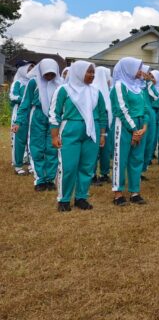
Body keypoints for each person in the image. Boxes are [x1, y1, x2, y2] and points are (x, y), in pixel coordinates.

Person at [49, 61, 108, 211]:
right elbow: (54, 114)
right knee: (68, 167)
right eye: (88, 72)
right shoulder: (64, 90)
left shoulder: (96, 92)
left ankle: (81, 197)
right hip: (70, 131)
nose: (92, 75)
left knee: (87, 167)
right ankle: (64, 199)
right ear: (78, 72)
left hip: (92, 132)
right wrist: (54, 136)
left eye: (93, 72)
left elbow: (102, 115)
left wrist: (102, 134)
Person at [12, 59, 62, 191]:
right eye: (46, 73)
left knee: (52, 149)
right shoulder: (34, 83)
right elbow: (25, 103)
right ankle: (40, 179)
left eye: (52, 74)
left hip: (54, 118)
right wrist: (18, 121)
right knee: (36, 148)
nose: (49, 77)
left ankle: (50, 179)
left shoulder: (59, 84)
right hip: (37, 116)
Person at [110, 57, 149, 206]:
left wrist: (144, 127)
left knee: (137, 159)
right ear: (129, 68)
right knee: (121, 159)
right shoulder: (120, 85)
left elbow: (145, 108)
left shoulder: (138, 86)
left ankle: (135, 192)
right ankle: (118, 193)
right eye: (137, 68)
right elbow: (121, 109)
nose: (140, 71)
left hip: (139, 126)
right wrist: (134, 130)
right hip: (125, 126)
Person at [9, 60, 34, 175]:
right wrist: (26, 100)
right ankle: (18, 165)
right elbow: (13, 96)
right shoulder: (18, 83)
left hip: (33, 114)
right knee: (19, 139)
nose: (31, 71)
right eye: (29, 68)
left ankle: (30, 163)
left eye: (33, 69)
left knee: (31, 139)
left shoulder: (34, 82)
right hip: (20, 113)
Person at [92, 66, 113, 184]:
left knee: (105, 150)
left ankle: (104, 173)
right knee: (94, 151)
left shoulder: (107, 90)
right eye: (108, 76)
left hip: (106, 125)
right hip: (96, 124)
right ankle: (91, 174)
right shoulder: (94, 90)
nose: (110, 79)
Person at [140, 66, 157, 176]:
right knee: (141, 143)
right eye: (147, 73)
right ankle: (137, 170)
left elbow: (156, 96)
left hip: (150, 114)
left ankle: (142, 169)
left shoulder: (148, 85)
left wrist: (149, 83)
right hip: (140, 114)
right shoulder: (134, 86)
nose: (148, 75)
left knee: (149, 142)